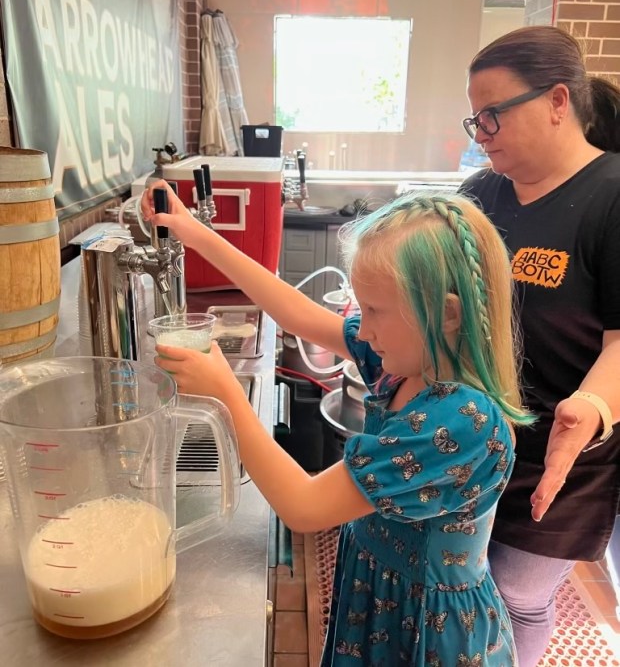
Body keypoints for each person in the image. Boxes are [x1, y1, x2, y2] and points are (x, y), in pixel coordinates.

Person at [142, 184, 534, 666]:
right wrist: (193, 231)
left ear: (446, 313)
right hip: (381, 601)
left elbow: (304, 508)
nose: (362, 330)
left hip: (428, 637)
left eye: (374, 311)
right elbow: (295, 311)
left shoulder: (461, 423)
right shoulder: (408, 364)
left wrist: (225, 393)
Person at [459, 25, 620, 667]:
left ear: (558, 101)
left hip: (565, 451)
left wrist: (592, 405)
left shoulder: (610, 197)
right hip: (477, 440)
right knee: (469, 585)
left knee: (519, 593)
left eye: (494, 114)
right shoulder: (481, 196)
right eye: (475, 119)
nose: (482, 134)